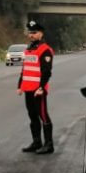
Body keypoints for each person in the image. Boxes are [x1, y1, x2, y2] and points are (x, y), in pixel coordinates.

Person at [18, 20, 55, 154]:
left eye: (34, 32)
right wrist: (20, 85)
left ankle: (49, 144)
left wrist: (41, 87)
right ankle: (36, 142)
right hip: (28, 89)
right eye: (30, 32)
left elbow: (46, 72)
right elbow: (25, 69)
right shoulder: (28, 49)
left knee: (43, 115)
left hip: (38, 90)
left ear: (41, 34)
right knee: (32, 116)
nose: (31, 35)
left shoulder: (45, 50)